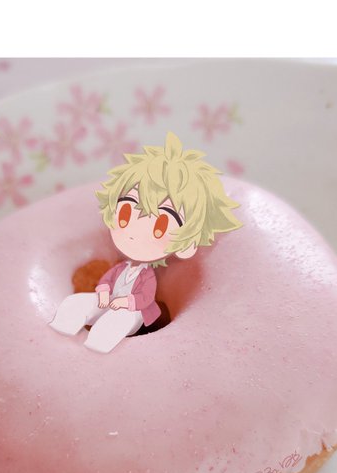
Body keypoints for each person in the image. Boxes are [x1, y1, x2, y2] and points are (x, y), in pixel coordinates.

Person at [49, 132, 243, 353]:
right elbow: (106, 281)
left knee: (116, 322)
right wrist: (102, 293)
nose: (135, 233)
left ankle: (96, 348)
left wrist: (124, 303)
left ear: (186, 245)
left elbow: (145, 298)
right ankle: (61, 334)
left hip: (133, 312)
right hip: (108, 302)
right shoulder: (121, 268)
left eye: (160, 225)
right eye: (125, 214)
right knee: (75, 304)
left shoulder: (147, 275)